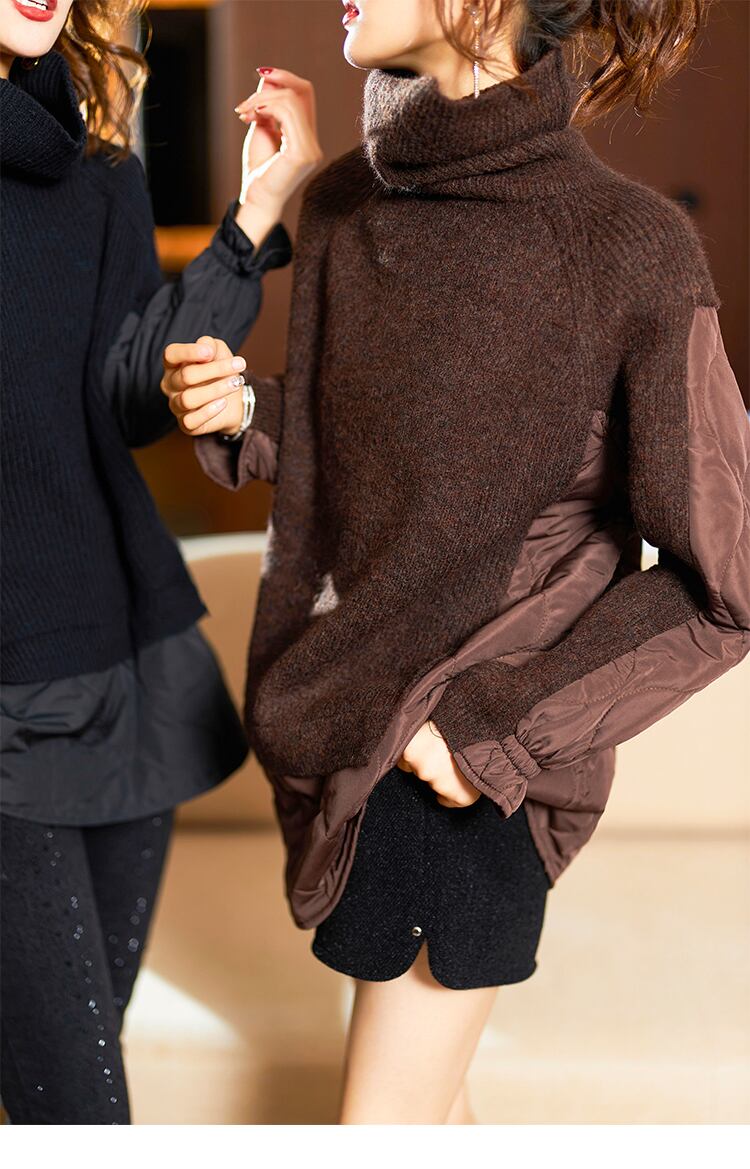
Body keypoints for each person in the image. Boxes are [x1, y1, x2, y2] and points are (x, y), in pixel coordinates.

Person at [162, 0, 750, 1125]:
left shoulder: (629, 244)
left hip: (464, 768)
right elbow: (362, 455)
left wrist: (490, 733)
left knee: (382, 1133)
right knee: (433, 1122)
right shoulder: (344, 205)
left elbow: (724, 581)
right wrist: (247, 413)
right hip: (346, 733)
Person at [0, 0, 296, 1125]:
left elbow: (128, 397)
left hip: (126, 670)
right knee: (80, 1114)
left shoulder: (97, 165)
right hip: (7, 700)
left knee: (61, 1104)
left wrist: (251, 219)